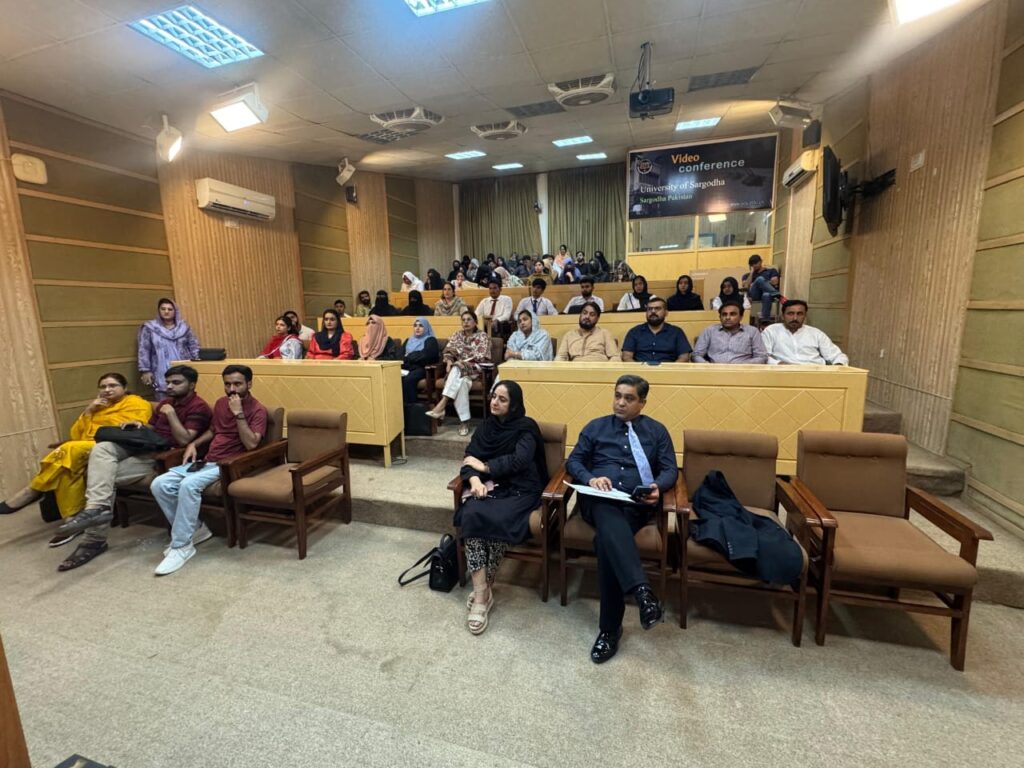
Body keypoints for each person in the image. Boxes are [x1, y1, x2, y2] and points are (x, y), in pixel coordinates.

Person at [54, 365, 213, 571]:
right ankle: (95, 509)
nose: (169, 387)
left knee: (103, 479)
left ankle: (93, 539)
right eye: (168, 382)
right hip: (145, 446)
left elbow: (184, 439)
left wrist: (172, 415)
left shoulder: (198, 407)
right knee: (102, 448)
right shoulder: (166, 402)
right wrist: (139, 425)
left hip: (165, 455)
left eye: (176, 383)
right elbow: (153, 427)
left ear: (191, 385)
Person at [566, 375, 677, 664]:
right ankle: (642, 593)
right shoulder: (596, 427)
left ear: (642, 402)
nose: (620, 403)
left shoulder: (657, 431)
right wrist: (591, 478)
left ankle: (610, 630)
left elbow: (670, 469)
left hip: (635, 505)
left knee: (607, 542)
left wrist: (658, 487)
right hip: (598, 500)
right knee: (606, 512)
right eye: (617, 395)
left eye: (629, 398)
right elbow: (573, 461)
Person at [0, 373, 152, 545]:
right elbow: (76, 434)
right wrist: (89, 411)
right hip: (86, 445)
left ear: (124, 388)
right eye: (103, 386)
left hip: (114, 445)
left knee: (68, 449)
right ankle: (72, 520)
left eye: (113, 385)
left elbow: (133, 429)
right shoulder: (98, 406)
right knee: (67, 467)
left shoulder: (136, 403)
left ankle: (32, 490)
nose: (107, 390)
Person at [149, 365, 268, 576]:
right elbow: (213, 430)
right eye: (227, 384)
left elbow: (251, 444)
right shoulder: (221, 403)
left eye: (237, 384)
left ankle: (182, 546)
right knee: (160, 484)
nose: (232, 389)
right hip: (208, 461)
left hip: (232, 463)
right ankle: (196, 529)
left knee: (188, 485)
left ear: (249, 384)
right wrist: (194, 444)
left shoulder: (258, 410)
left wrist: (239, 414)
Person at [455, 381, 548, 634]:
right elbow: (469, 457)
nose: (494, 402)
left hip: (522, 489)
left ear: (514, 404)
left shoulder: (526, 428)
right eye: (493, 396)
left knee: (497, 519)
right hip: (493, 485)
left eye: (502, 399)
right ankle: (482, 590)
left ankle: (482, 594)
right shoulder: (487, 427)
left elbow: (520, 461)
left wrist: (485, 467)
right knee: (472, 513)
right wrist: (474, 480)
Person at [426, 311, 491, 437]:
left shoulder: (482, 336)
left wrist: (459, 363)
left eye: (469, 319)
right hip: (459, 372)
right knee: (462, 383)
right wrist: (449, 361)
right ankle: (464, 422)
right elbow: (448, 351)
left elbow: (481, 357)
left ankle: (442, 404)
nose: (466, 322)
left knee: (457, 367)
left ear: (475, 322)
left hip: (476, 368)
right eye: (463, 320)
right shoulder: (457, 335)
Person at [137, 298, 200, 400]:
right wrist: (145, 370)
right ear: (159, 311)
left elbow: (193, 346)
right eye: (163, 309)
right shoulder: (150, 328)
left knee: (185, 395)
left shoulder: (184, 327)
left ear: (175, 311)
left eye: (170, 309)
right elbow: (144, 349)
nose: (166, 312)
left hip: (183, 367)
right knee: (165, 400)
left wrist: (199, 364)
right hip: (160, 369)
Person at [762, 300, 849, 365]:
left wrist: (838, 366)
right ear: (783, 316)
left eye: (799, 314)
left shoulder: (816, 333)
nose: (795, 318)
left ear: (805, 316)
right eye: (790, 314)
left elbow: (838, 356)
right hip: (784, 373)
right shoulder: (771, 331)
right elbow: (763, 356)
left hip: (815, 373)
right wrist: (778, 363)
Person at [692, 301, 768, 364]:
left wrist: (742, 366)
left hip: (744, 373)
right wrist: (707, 366)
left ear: (741, 317)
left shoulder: (752, 332)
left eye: (732, 314)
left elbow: (762, 357)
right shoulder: (709, 331)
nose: (727, 317)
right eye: (724, 314)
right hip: (714, 372)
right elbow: (696, 355)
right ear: (720, 317)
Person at [621, 297, 692, 363]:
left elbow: (684, 357)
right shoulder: (634, 332)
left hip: (668, 370)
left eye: (657, 308)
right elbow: (626, 356)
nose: (653, 311)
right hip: (640, 370)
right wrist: (638, 370)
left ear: (666, 313)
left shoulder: (676, 332)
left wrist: (671, 370)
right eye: (649, 309)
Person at [555, 302, 620, 361]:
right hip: (575, 368)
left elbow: (615, 357)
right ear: (580, 315)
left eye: (592, 314)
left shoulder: (605, 333)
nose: (587, 317)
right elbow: (561, 356)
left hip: (599, 368)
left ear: (597, 319)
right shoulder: (569, 335)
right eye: (584, 313)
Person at [401, 317, 440, 403]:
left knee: (408, 379)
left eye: (421, 326)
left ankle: (411, 406)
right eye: (415, 325)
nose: (417, 328)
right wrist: (414, 356)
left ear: (426, 327)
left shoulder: (430, 340)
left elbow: (427, 356)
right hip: (406, 367)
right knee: (394, 377)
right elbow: (400, 356)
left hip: (421, 368)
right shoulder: (408, 340)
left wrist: (409, 356)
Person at [742, 255, 782, 320]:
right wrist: (751, 273)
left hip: (767, 293)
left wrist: (761, 283)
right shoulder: (747, 275)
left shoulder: (771, 271)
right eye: (752, 264)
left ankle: (765, 320)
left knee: (766, 294)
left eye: (755, 263)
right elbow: (746, 286)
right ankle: (777, 295)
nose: (754, 265)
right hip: (754, 295)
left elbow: (775, 282)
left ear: (761, 261)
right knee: (759, 279)